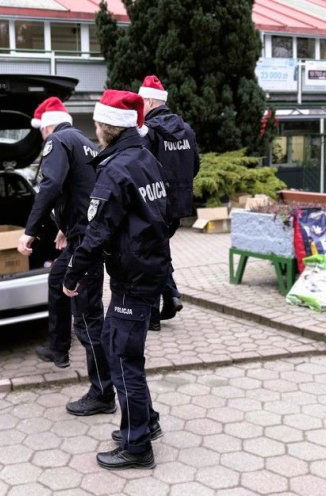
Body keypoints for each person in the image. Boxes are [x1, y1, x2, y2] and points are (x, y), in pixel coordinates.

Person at [63, 89, 170, 470]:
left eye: (96, 122)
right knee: (115, 344)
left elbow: (97, 231)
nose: (93, 128)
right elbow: (166, 215)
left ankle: (137, 445)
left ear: (110, 125)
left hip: (133, 277)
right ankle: (145, 422)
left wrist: (73, 272)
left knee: (124, 358)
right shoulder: (145, 159)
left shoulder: (117, 169)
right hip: (145, 271)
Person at [16, 98, 115, 416]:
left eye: (41, 131)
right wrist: (64, 228)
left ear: (45, 125)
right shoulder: (85, 141)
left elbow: (51, 185)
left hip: (85, 241)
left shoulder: (57, 140)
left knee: (88, 318)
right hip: (81, 234)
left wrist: (30, 230)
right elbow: (82, 189)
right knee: (58, 278)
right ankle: (58, 348)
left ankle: (102, 392)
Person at [138, 75, 200, 331]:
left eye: (141, 101)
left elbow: (141, 168)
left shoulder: (148, 131)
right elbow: (195, 166)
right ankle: (171, 296)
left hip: (155, 204)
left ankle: (153, 316)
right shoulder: (186, 129)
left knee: (150, 255)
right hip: (179, 205)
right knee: (159, 250)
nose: (139, 107)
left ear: (151, 101)